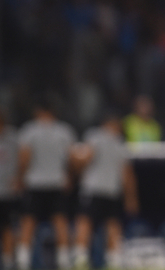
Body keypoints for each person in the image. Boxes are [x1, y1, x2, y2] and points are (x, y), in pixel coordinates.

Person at [72, 112, 139, 270]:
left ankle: (81, 258)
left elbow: (86, 157)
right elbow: (127, 174)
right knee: (112, 224)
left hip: (93, 188)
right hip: (112, 190)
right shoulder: (120, 143)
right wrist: (131, 198)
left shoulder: (94, 136)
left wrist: (75, 166)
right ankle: (114, 260)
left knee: (85, 221)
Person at [15, 100, 77, 270]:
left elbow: (24, 158)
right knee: (60, 220)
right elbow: (71, 160)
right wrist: (69, 177)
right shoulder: (64, 131)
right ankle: (64, 260)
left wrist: (19, 178)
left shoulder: (29, 130)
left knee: (28, 220)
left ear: (38, 110)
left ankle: (23, 259)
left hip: (35, 183)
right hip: (57, 182)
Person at [0, 110, 19, 270]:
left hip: (7, 193)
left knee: (8, 228)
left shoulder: (13, 138)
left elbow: (22, 158)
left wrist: (18, 178)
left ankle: (7, 262)